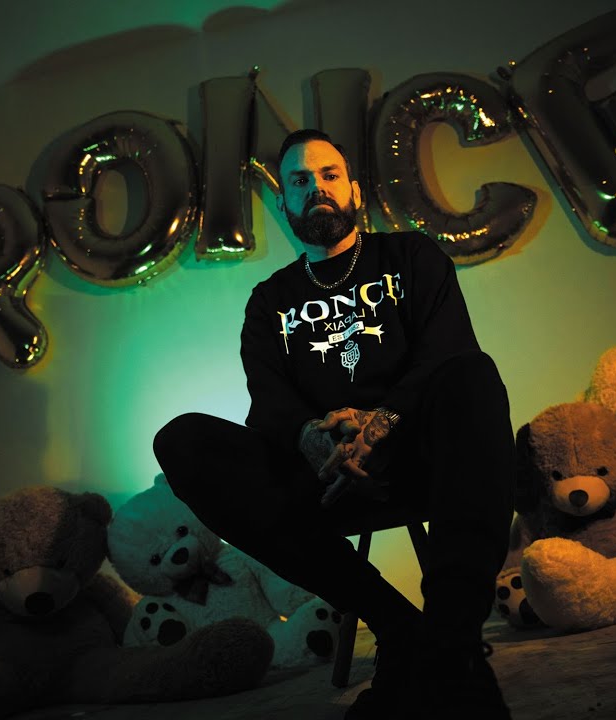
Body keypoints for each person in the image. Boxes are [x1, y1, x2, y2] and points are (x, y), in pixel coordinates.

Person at [153, 129, 515, 719]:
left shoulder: (411, 257)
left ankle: (450, 640)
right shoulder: (269, 301)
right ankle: (400, 628)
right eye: (299, 180)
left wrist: (383, 422)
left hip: (423, 458)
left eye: (328, 175)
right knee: (182, 441)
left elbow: (446, 353)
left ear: (353, 190)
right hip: (325, 478)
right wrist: (313, 438)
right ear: (284, 203)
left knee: (472, 375)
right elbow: (270, 404)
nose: (316, 188)